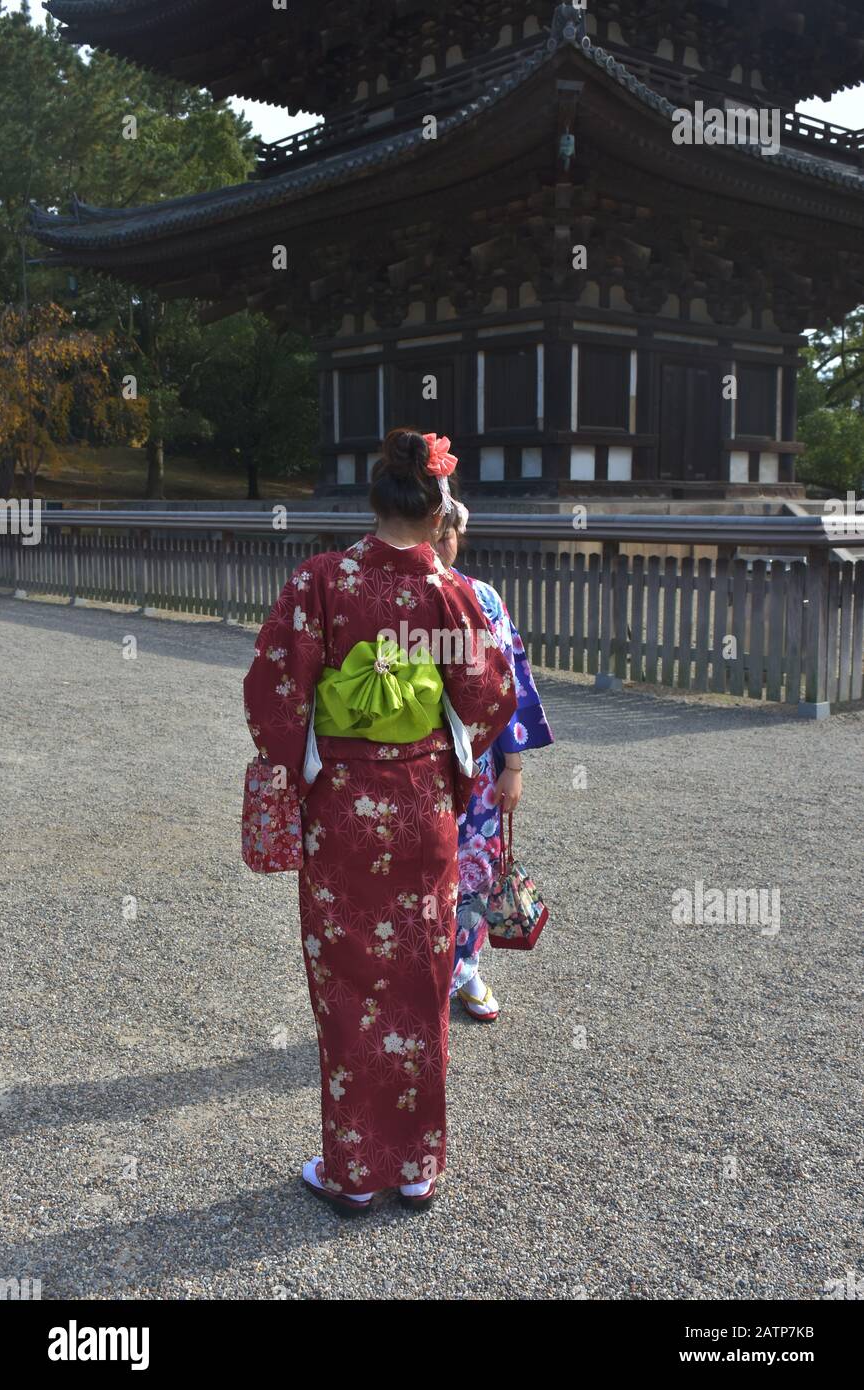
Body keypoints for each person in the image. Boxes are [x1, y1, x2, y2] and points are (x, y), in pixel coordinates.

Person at [243, 428, 516, 1214]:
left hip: (342, 813)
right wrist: (439, 749)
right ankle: (418, 1165)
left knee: (349, 980)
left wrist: (309, 754)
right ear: (439, 518)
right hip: (425, 805)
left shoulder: (322, 582)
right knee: (424, 981)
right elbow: (490, 699)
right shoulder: (450, 594)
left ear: (373, 505)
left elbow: (273, 693)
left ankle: (352, 1170)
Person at [435, 503, 554, 1023]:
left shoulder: (481, 598)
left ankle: (465, 967)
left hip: (477, 768)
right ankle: (414, 983)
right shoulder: (383, 597)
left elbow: (504, 689)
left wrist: (513, 763)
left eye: (449, 533)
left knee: (474, 872)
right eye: (432, 530)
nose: (441, 543)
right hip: (404, 769)